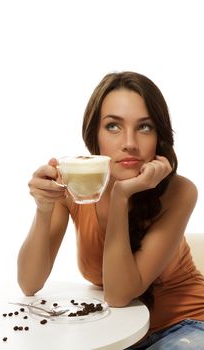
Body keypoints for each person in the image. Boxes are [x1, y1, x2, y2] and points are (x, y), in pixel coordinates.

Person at [17, 71, 204, 349]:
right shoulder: (74, 184)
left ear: (158, 137)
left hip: (184, 325)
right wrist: (44, 208)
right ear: (94, 134)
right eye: (113, 127)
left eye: (144, 127)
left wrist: (120, 195)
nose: (129, 142)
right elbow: (29, 284)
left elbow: (118, 295)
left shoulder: (180, 191)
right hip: (119, 335)